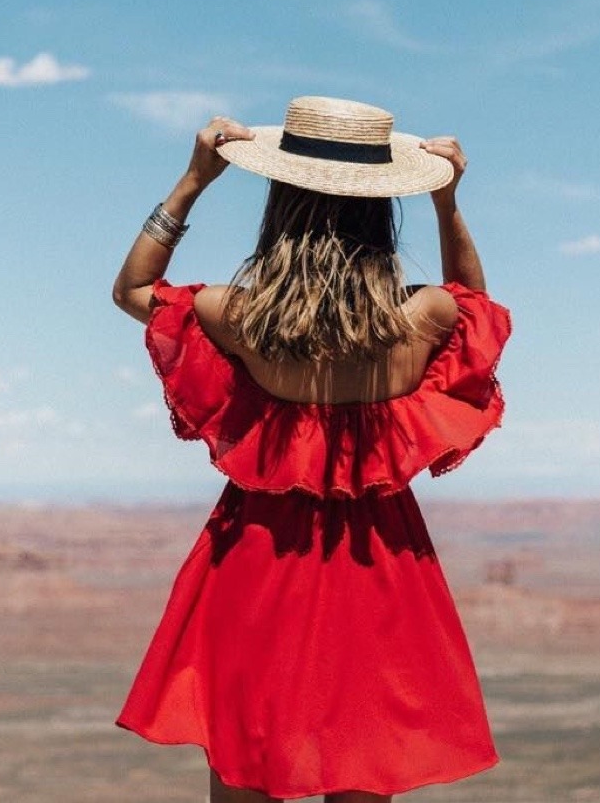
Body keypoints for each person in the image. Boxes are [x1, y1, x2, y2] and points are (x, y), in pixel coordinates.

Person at [112, 95, 511, 803]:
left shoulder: (240, 314)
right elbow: (479, 311)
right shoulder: (421, 318)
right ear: (381, 207)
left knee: (246, 756)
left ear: (280, 204)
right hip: (377, 561)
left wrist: (193, 180)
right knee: (364, 756)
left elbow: (135, 288)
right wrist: (448, 204)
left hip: (258, 553)